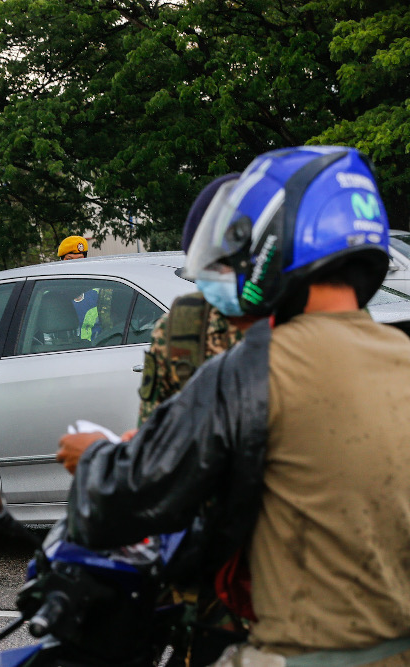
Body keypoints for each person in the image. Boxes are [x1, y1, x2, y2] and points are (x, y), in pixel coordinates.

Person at [57, 147, 410, 665]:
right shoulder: (400, 354)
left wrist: (92, 457)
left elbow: (127, 496)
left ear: (275, 243)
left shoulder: (253, 369)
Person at [137, 174, 253, 426]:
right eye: (206, 266)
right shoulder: (179, 329)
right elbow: (152, 434)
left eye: (225, 262)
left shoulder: (301, 322)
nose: (216, 276)